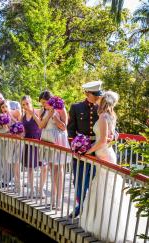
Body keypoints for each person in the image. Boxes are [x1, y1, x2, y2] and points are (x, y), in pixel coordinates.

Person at [80, 91, 146, 242]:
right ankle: (104, 223)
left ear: (103, 101)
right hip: (106, 153)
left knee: (106, 188)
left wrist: (86, 151)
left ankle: (107, 226)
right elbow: (111, 137)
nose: (97, 101)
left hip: (104, 153)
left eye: (99, 99)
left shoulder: (103, 117)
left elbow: (103, 140)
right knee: (105, 188)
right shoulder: (111, 115)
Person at [67, 81, 103, 217]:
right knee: (79, 179)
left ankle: (89, 209)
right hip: (80, 150)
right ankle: (80, 206)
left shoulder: (101, 107)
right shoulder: (76, 107)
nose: (97, 97)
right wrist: (74, 146)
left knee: (93, 179)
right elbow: (70, 130)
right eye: (95, 94)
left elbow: (112, 128)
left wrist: (114, 135)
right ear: (87, 93)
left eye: (98, 94)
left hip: (97, 149)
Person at [33, 91, 70, 209]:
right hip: (46, 139)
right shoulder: (43, 110)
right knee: (51, 168)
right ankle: (53, 197)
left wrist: (56, 117)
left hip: (57, 139)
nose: (43, 105)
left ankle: (59, 200)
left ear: (50, 100)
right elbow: (41, 126)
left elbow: (64, 127)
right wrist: (48, 114)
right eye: (42, 103)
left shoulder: (61, 108)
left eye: (44, 102)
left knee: (59, 169)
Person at [0, 100, 22, 192]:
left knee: (17, 163)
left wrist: (10, 115)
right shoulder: (3, 117)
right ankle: (15, 184)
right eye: (2, 107)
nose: (4, 109)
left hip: (19, 141)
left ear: (9, 105)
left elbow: (19, 125)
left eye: (5, 106)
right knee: (11, 162)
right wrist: (5, 124)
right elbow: (8, 131)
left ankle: (18, 185)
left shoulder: (16, 111)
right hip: (11, 141)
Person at [21, 96, 41, 197]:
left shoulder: (38, 112)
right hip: (28, 143)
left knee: (43, 167)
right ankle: (32, 189)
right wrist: (21, 134)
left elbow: (41, 125)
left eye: (27, 103)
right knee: (30, 168)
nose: (25, 106)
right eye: (23, 104)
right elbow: (23, 130)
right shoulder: (23, 116)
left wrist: (32, 113)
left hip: (38, 142)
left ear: (31, 102)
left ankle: (40, 190)